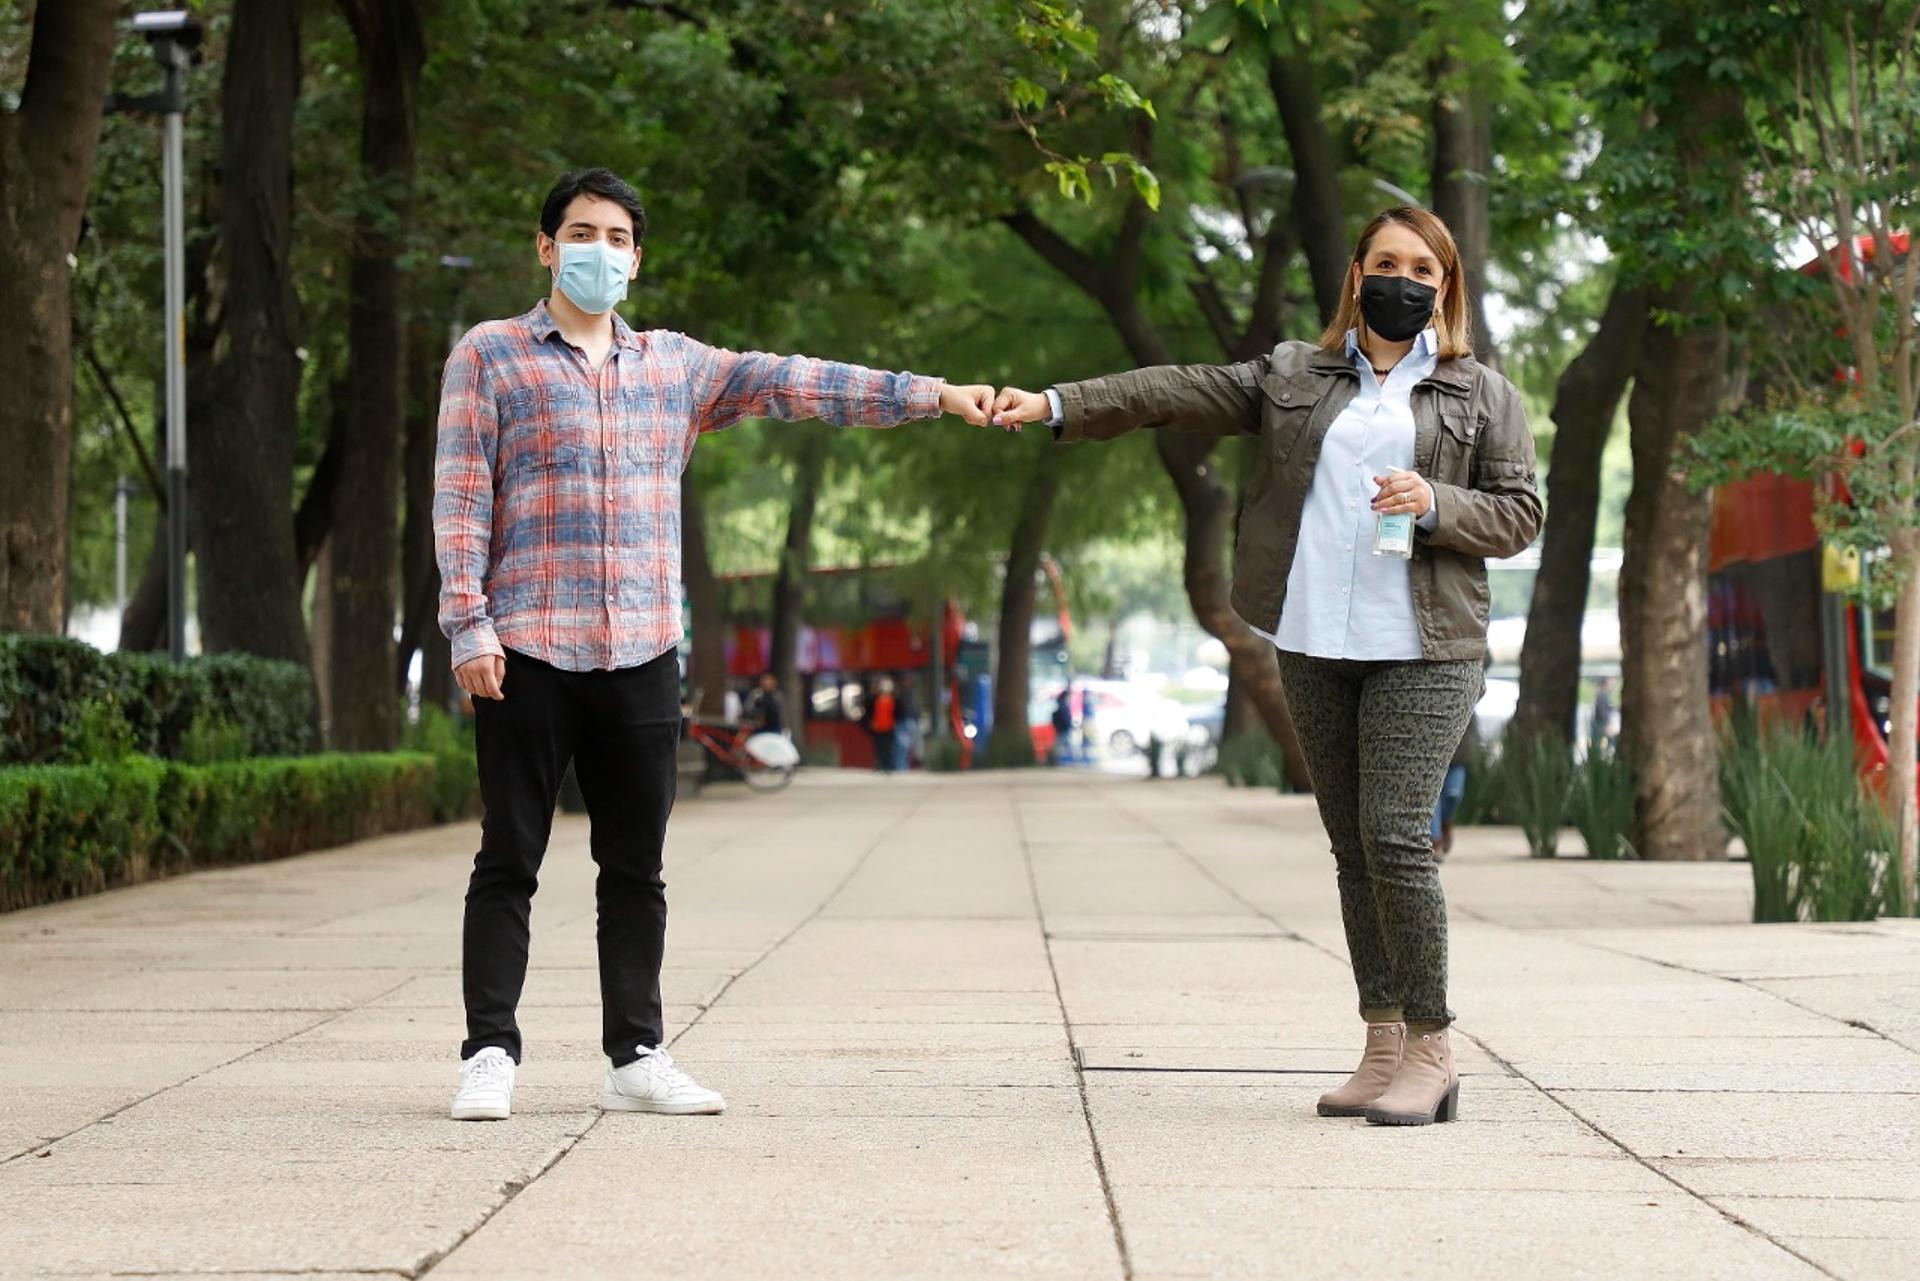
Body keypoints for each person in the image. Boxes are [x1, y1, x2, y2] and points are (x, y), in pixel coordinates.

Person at [434, 167, 996, 1122]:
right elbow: (459, 497)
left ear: (638, 258)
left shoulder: (676, 368)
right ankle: (490, 1049)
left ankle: (636, 1054)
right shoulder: (490, 357)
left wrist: (935, 394)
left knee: (636, 866)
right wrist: (466, 624)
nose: (598, 251)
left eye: (616, 238)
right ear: (544, 246)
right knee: (509, 856)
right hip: (526, 643)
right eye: (580, 233)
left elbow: (799, 383)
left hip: (644, 648)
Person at [991, 207, 1541, 1126]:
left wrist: (1435, 500)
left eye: (1422, 268)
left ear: (1443, 287)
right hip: (1316, 638)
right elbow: (1171, 388)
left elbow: (1520, 513)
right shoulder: (1292, 375)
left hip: (1427, 643)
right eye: (1385, 262)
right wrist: (1055, 404)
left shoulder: (1481, 393)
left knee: (1397, 835)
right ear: (1355, 277)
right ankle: (1380, 1043)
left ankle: (1434, 1048)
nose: (1402, 279)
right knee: (1353, 850)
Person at [865, 676, 898, 772]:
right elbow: (870, 712)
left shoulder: (892, 700)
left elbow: (896, 713)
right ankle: (880, 765)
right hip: (878, 727)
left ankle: (887, 766)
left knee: (887, 748)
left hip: (888, 727)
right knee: (878, 748)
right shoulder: (875, 699)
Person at [747, 672, 785, 737]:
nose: (766, 686)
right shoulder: (756, 694)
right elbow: (748, 708)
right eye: (764, 684)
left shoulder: (777, 696)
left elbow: (782, 712)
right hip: (758, 727)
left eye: (768, 684)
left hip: (774, 727)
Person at [1591, 675, 1617, 753]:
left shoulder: (1602, 694)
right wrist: (1607, 725)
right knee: (1608, 743)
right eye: (1611, 684)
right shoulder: (1601, 695)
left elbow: (1606, 708)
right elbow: (1602, 712)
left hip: (1601, 724)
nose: (1612, 687)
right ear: (1605, 684)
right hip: (1601, 725)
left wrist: (1614, 707)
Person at [1051, 686, 1076, 765]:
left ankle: (1061, 760)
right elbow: (1065, 718)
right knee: (1063, 745)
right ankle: (1058, 760)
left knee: (1063, 745)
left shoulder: (1061, 704)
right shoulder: (1063, 706)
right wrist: (1070, 725)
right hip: (1063, 729)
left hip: (1061, 728)